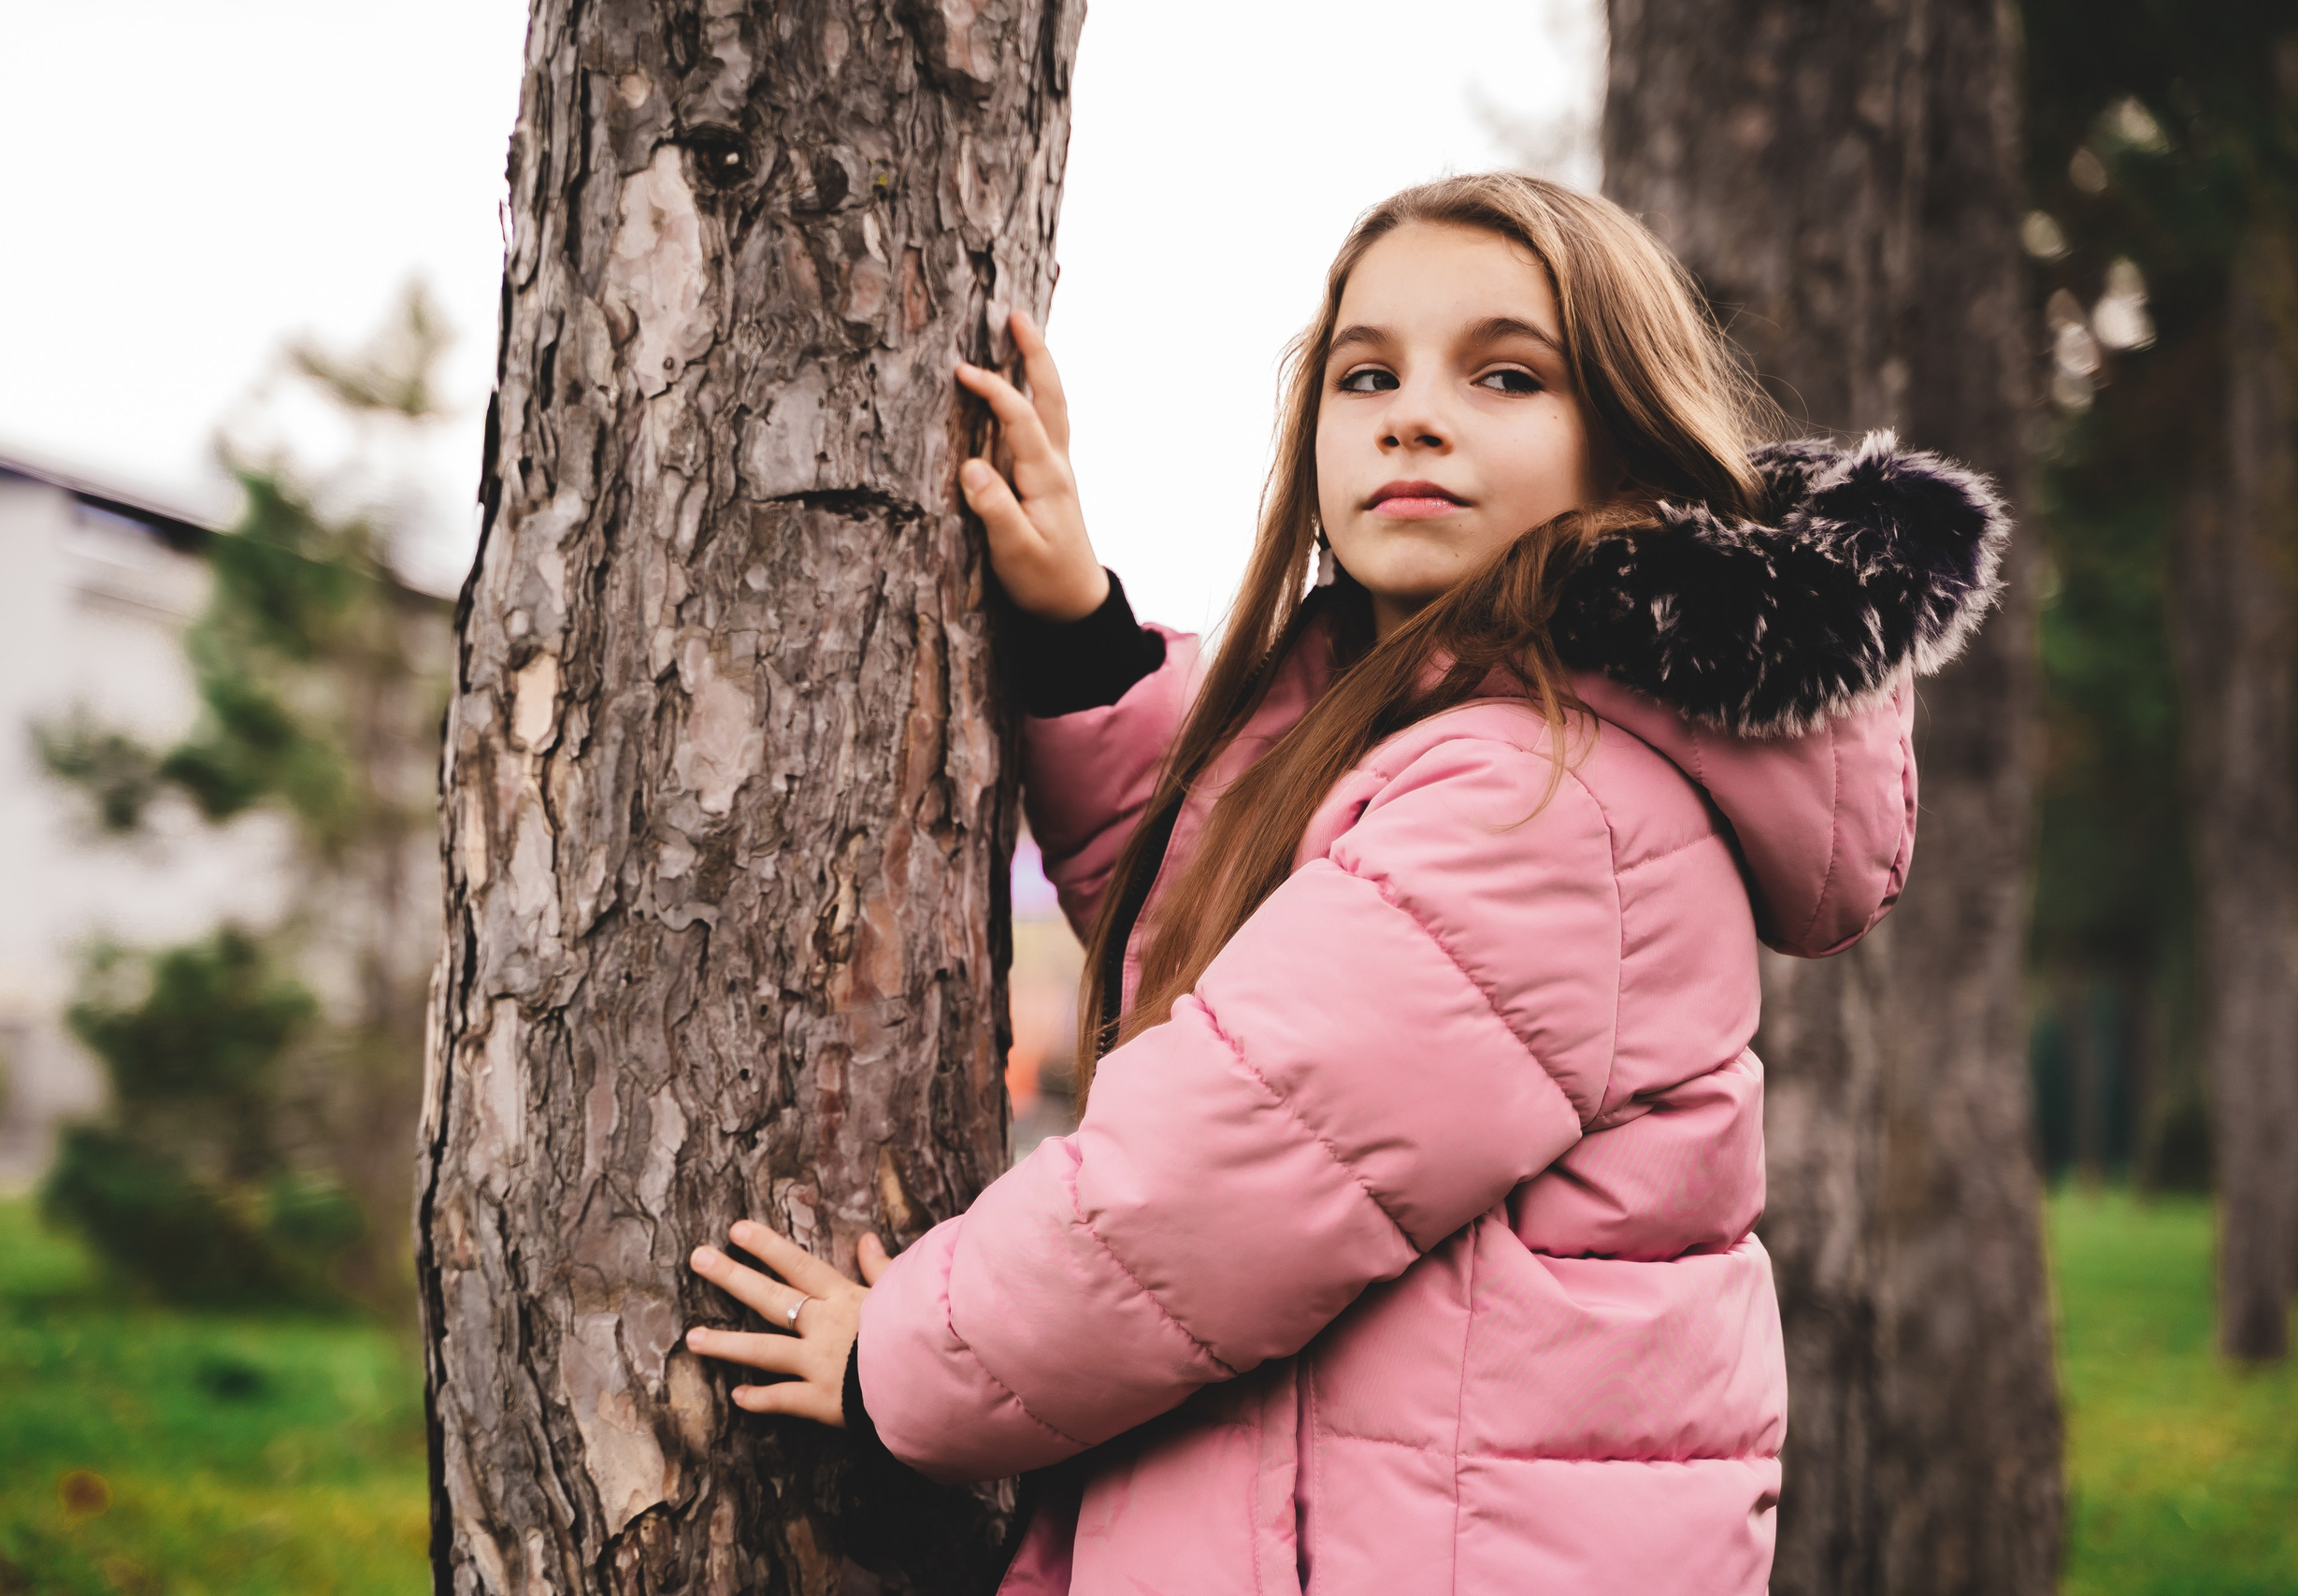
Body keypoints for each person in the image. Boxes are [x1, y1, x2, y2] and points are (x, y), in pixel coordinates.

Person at [682, 172, 2005, 1593]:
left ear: (1628, 456)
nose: (1412, 413)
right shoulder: (1448, 761)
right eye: (1365, 372)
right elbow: (1252, 939)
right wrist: (1082, 641)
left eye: (1505, 374)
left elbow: (1203, 1180)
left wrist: (908, 1360)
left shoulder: (1543, 806)